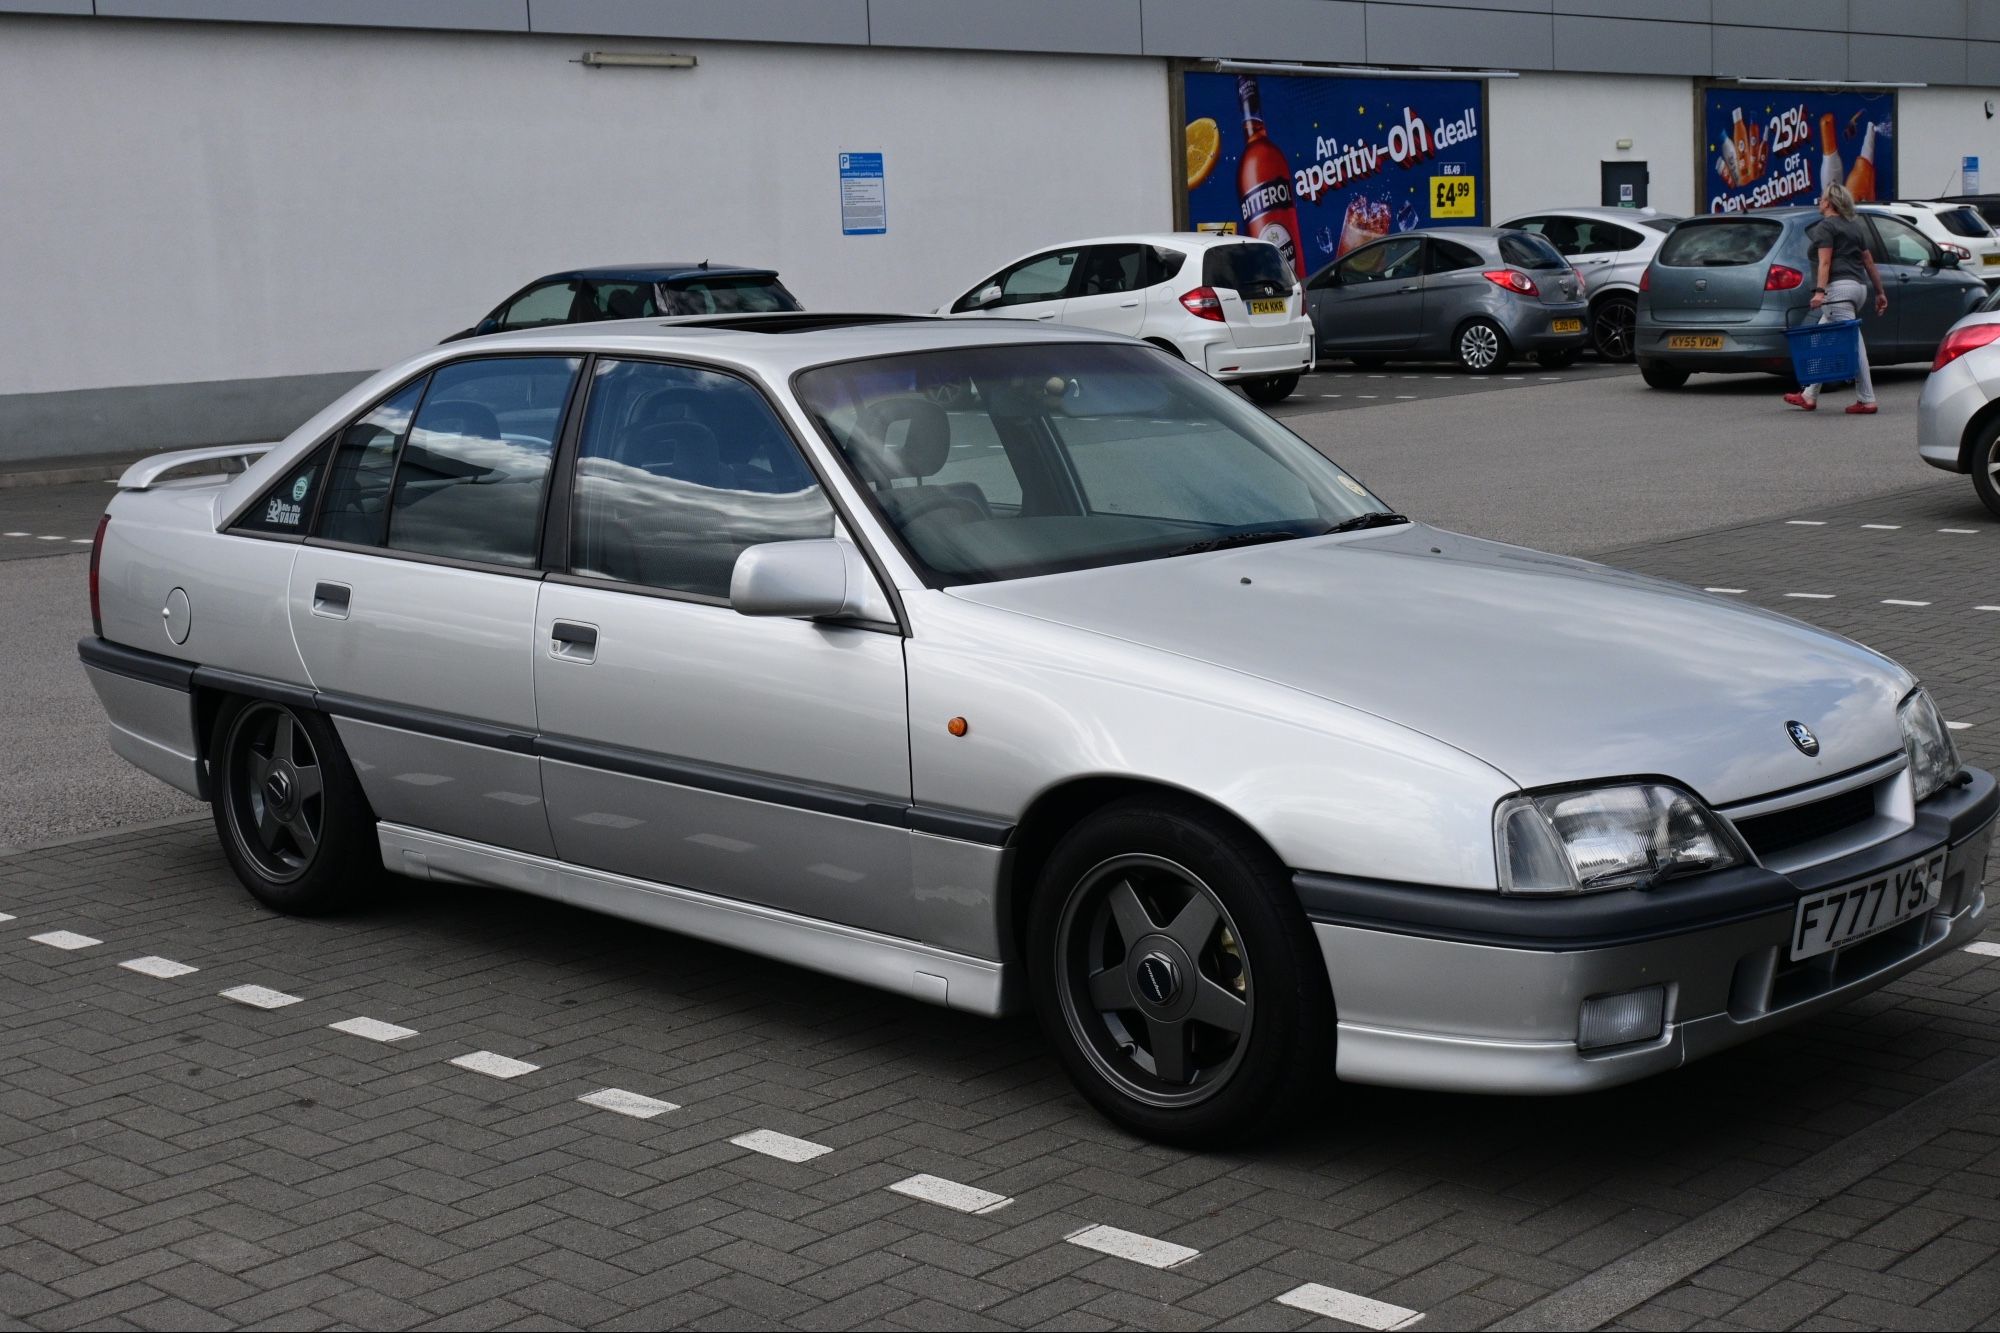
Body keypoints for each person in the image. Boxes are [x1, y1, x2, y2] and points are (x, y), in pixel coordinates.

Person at [1783, 184, 1886, 414]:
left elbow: (1825, 262)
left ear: (1829, 203)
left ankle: (1867, 399)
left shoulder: (1826, 226)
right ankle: (1809, 395)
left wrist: (1820, 291)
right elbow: (1868, 262)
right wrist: (1880, 292)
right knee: (1821, 341)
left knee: (1854, 345)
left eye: (1822, 198)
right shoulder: (1854, 227)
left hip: (1837, 291)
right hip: (1858, 288)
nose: (1819, 200)